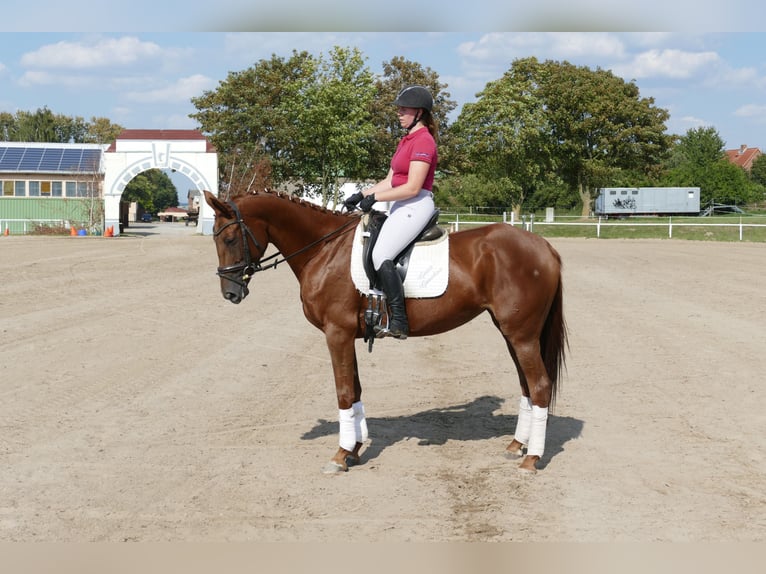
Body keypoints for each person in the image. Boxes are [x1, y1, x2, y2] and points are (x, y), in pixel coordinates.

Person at [344, 85, 439, 340]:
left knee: (381, 253)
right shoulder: (406, 140)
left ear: (419, 112)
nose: (398, 113)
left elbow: (412, 186)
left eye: (403, 109)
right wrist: (362, 194)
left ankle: (399, 319)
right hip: (402, 204)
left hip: (417, 203)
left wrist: (375, 199)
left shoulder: (424, 141)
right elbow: (391, 181)